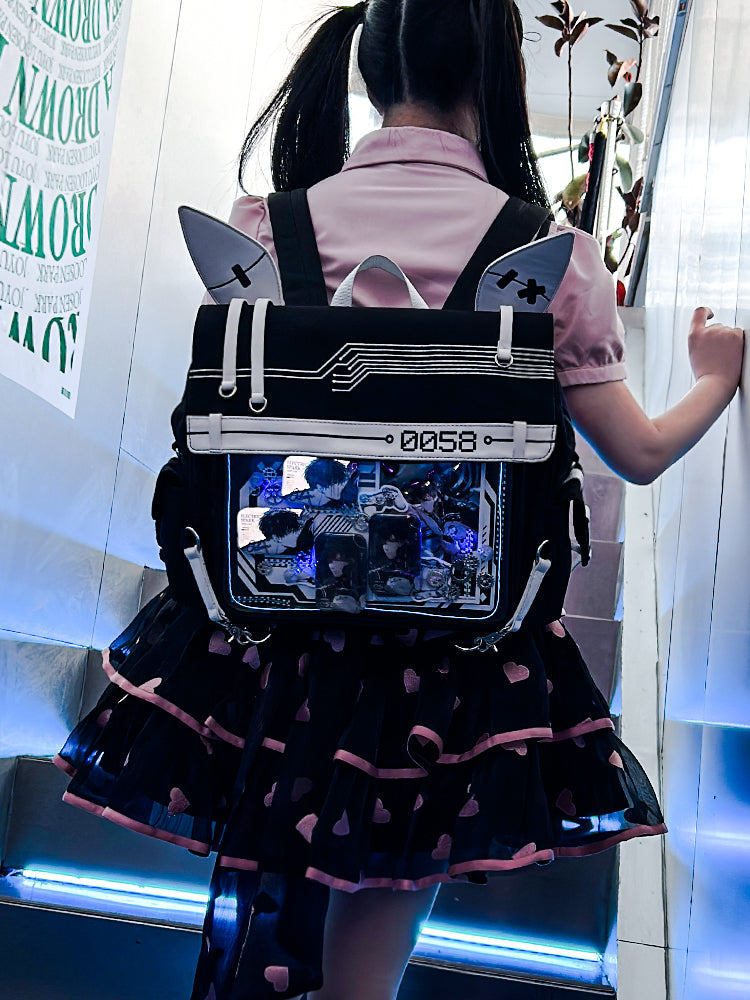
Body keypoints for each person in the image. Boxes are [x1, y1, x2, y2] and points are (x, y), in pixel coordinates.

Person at [53, 3, 744, 999]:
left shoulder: (265, 230)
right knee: (382, 911)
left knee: (274, 858)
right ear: (497, 77)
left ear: (370, 74)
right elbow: (634, 455)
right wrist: (715, 376)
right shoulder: (548, 255)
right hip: (452, 651)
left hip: (277, 621)